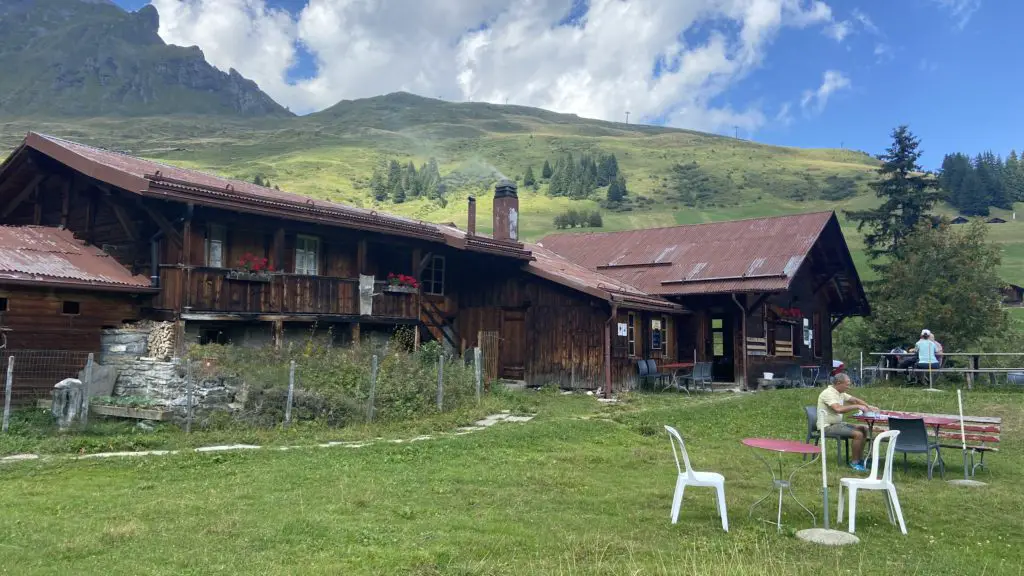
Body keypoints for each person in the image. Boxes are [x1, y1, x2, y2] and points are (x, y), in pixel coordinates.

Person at [816, 373, 878, 472]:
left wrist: (868, 407)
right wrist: (857, 407)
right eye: (847, 384)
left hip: (838, 424)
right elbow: (838, 409)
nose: (849, 387)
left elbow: (855, 400)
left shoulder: (840, 393)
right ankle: (854, 463)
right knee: (858, 434)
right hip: (827, 426)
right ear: (839, 383)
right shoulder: (828, 393)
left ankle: (860, 459)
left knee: (863, 429)